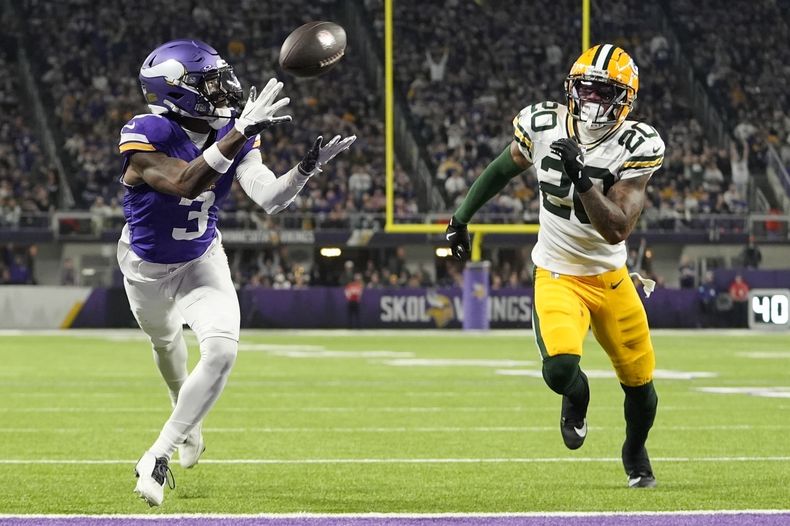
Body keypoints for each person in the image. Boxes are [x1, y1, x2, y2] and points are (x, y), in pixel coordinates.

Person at [118, 39, 355, 506]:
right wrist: (239, 131)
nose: (224, 89)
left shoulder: (233, 129)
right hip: (147, 267)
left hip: (201, 259)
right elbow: (184, 183)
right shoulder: (147, 131)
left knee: (222, 349)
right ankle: (185, 415)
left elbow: (269, 198)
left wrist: (305, 169)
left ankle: (157, 455)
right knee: (166, 343)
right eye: (209, 83)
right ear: (176, 91)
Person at [446, 44, 663, 488]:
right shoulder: (543, 124)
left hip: (611, 278)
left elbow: (617, 228)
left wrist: (582, 177)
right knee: (560, 370)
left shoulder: (637, 143)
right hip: (558, 273)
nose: (591, 100)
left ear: (625, 99)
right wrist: (461, 218)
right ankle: (577, 399)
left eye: (604, 92)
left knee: (641, 386)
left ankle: (634, 450)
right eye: (586, 89)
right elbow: (503, 168)